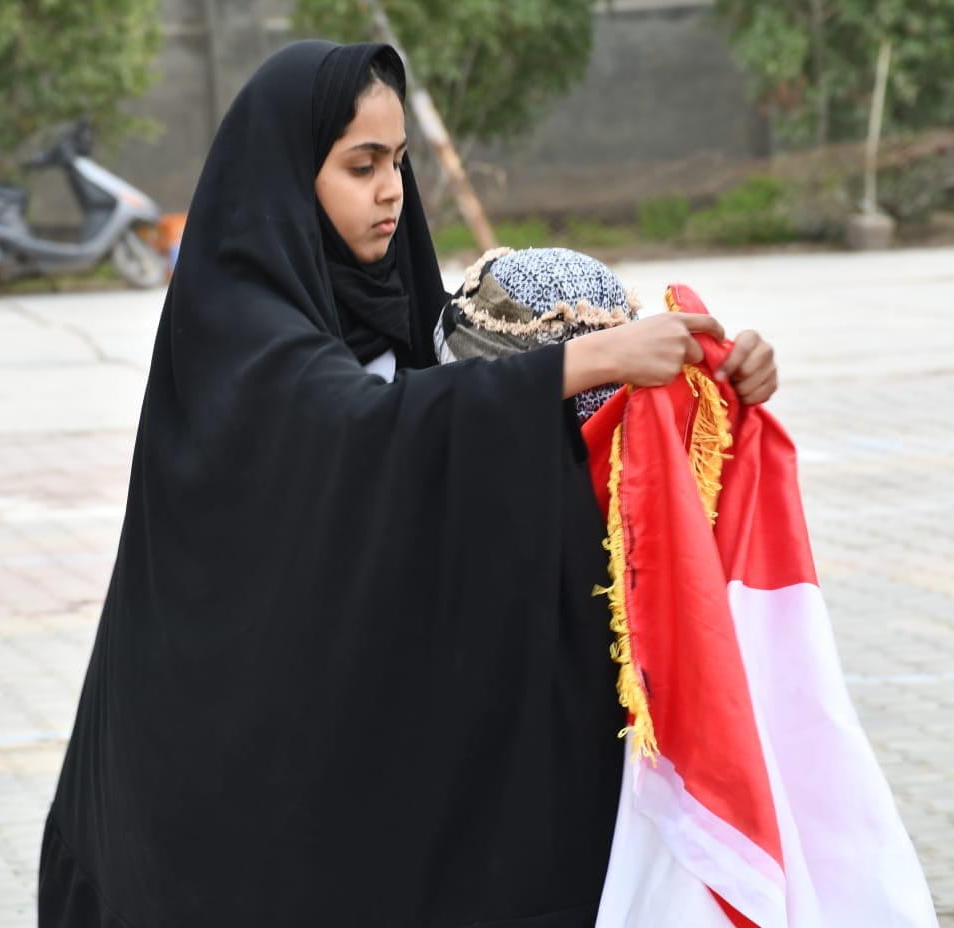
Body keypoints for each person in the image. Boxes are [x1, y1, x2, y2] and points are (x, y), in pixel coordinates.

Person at [39, 41, 778, 928]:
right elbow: (353, 428)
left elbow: (477, 441)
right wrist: (588, 362)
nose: (390, 190)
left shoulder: (399, 304)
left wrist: (710, 384)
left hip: (345, 750)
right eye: (361, 166)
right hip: (222, 776)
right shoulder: (239, 320)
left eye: (398, 162)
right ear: (290, 176)